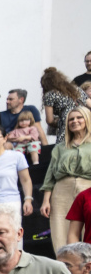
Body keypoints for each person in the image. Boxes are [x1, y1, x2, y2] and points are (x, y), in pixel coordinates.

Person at [41, 105, 91, 251]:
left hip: (88, 187)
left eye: (79, 117)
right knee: (60, 230)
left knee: (87, 227)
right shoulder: (60, 148)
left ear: (87, 119)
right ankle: (65, 268)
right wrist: (45, 201)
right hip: (62, 189)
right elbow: (49, 175)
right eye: (71, 119)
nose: (75, 121)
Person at [40, 66, 87, 139]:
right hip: (83, 123)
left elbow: (49, 120)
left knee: (64, 147)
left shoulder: (50, 95)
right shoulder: (76, 89)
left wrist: (62, 120)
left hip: (66, 127)